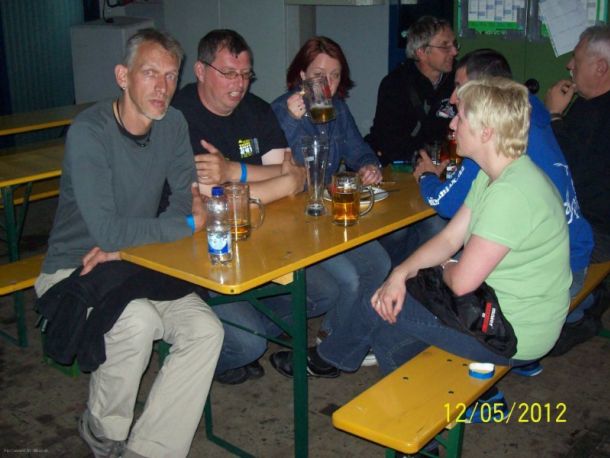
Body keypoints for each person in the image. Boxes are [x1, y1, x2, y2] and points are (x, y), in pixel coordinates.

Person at [270, 78, 571, 382]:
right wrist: (401, 273)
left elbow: (461, 282)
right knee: (390, 320)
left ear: (486, 132)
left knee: (386, 303)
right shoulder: (495, 174)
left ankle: (330, 361)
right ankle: (417, 399)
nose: (452, 124)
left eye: (461, 117)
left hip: (511, 333)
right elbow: (450, 238)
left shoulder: (511, 194)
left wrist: (434, 270)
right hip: (497, 307)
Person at [34, 29, 223, 458]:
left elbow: (184, 197)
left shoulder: (173, 123)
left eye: (171, 76)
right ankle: (103, 430)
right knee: (137, 321)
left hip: (138, 262)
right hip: (74, 269)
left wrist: (136, 243)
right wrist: (184, 225)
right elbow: (109, 233)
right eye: (150, 73)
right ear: (123, 76)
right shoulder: (90, 132)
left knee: (206, 330)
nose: (162, 88)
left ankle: (151, 450)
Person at [413, 49, 596, 360]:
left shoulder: (495, 153)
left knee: (422, 287)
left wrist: (427, 178)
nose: (454, 98)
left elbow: (445, 206)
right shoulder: (528, 122)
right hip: (572, 254)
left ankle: (473, 366)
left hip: (548, 283)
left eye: (461, 88)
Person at [170, 29, 307, 385]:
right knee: (249, 344)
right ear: (200, 71)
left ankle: (234, 334)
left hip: (258, 237)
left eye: (246, 74)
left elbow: (291, 171)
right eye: (229, 73)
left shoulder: (257, 109)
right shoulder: (178, 116)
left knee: (326, 291)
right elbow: (215, 200)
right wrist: (282, 183)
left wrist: (233, 171)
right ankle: (211, 353)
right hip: (198, 252)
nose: (240, 84)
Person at [270, 36, 391, 369]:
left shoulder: (338, 109)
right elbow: (274, 170)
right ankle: (330, 351)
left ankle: (334, 339)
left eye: (335, 75)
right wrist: (291, 120)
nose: (327, 84)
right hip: (294, 219)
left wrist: (368, 165)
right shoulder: (280, 111)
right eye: (318, 75)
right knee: (350, 279)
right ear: (301, 75)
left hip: (328, 211)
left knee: (378, 263)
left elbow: (359, 150)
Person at [545, 25, 610, 353]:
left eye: (577, 58)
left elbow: (568, 170)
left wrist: (554, 114)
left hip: (597, 233)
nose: (569, 65)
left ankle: (581, 311)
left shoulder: (600, 112)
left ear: (601, 67)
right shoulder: (589, 104)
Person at [364, 15, 457, 166]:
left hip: (446, 163)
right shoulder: (395, 85)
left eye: (454, 44)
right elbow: (388, 140)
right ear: (421, 52)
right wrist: (419, 158)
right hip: (402, 165)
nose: (454, 51)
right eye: (445, 46)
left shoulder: (459, 80)